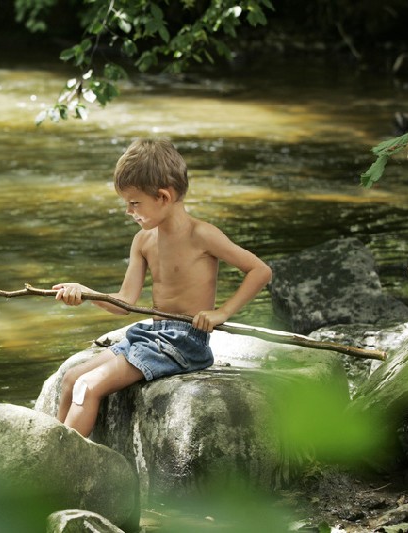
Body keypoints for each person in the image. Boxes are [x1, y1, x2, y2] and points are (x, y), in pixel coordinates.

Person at [52, 138, 272, 438]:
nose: (128, 211)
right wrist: (86, 294)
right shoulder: (143, 241)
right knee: (71, 379)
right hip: (152, 336)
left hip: (184, 342)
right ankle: (51, 451)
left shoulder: (202, 235)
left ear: (163, 197)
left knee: (87, 386)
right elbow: (124, 302)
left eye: (134, 203)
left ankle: (64, 460)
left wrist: (222, 312)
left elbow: (260, 271)